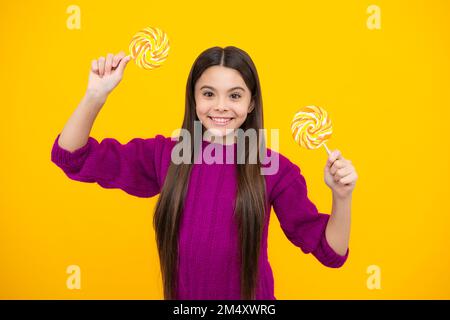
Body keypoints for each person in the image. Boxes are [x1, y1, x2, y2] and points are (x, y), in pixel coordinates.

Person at [51, 46, 357, 300]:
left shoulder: (275, 169)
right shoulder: (167, 155)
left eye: (235, 96)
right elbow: (71, 157)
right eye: (209, 94)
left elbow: (330, 252)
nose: (221, 106)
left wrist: (341, 196)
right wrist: (95, 94)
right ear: (193, 99)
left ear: (251, 104)